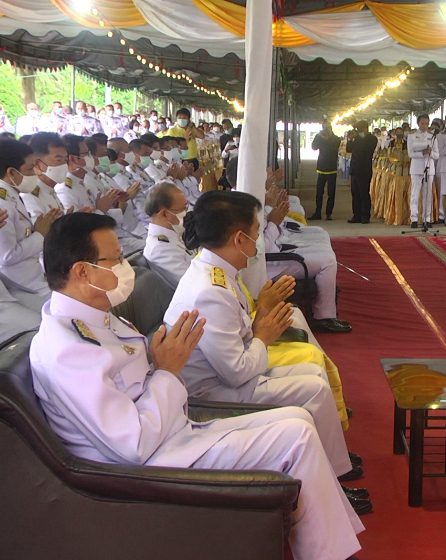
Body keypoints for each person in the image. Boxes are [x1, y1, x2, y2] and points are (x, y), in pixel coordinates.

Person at [31, 212, 364, 560]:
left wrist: (165, 372)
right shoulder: (67, 350)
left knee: (299, 419)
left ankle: (332, 545)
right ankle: (333, 554)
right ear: (82, 271)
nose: (124, 267)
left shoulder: (97, 321)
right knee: (297, 436)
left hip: (172, 433)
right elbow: (133, 445)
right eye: (114, 259)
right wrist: (166, 371)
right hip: (144, 469)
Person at [163, 191, 367, 507]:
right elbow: (236, 373)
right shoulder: (209, 291)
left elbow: (237, 337)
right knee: (313, 388)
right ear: (239, 239)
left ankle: (333, 465)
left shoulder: (216, 271)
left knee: (313, 373)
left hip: (226, 375)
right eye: (257, 232)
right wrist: (262, 335)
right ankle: (333, 485)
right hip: (209, 393)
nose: (259, 241)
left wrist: (261, 318)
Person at [0, 139, 59, 311]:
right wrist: (39, 234)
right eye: (30, 168)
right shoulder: (3, 203)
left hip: (35, 274)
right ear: (12, 172)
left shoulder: (12, 196)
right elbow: (7, 256)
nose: (35, 173)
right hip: (20, 283)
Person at [25, 133, 69, 221]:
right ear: (37, 163)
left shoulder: (50, 189)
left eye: (65, 160)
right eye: (58, 160)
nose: (64, 165)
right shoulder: (29, 196)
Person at [407, 114, 439, 228]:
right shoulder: (412, 136)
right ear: (418, 124)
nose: (425, 126)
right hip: (416, 168)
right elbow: (410, 153)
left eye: (427, 123)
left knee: (427, 195)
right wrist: (422, 153)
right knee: (415, 194)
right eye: (422, 123)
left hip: (429, 168)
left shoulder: (432, 137)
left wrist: (430, 153)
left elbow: (437, 155)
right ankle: (414, 218)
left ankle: (427, 218)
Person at [345, 121, 377, 224]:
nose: (359, 132)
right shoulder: (356, 138)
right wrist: (350, 139)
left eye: (360, 130)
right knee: (355, 193)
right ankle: (356, 215)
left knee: (364, 193)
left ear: (365, 129)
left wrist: (358, 138)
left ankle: (365, 216)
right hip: (355, 169)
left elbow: (367, 150)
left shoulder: (372, 139)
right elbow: (349, 149)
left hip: (364, 169)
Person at [309, 121, 340, 221]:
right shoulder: (319, 137)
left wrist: (328, 138)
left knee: (331, 193)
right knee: (319, 192)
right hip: (321, 168)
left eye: (327, 128)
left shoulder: (336, 139)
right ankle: (318, 212)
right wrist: (319, 137)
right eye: (324, 128)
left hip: (332, 168)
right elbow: (314, 147)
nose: (326, 130)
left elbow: (334, 148)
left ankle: (328, 213)